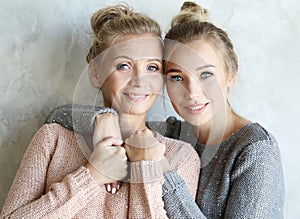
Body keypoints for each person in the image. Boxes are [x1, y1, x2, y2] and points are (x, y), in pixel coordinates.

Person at [0, 4, 200, 219]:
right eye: (124, 66)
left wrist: (147, 167)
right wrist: (92, 175)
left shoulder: (180, 156)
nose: (140, 80)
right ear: (95, 72)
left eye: (152, 67)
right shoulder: (53, 139)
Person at [161, 1, 285, 218]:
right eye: (177, 77)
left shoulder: (255, 149)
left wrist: (162, 174)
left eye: (206, 74)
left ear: (231, 75)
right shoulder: (171, 135)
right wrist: (105, 118)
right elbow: (97, 123)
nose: (192, 92)